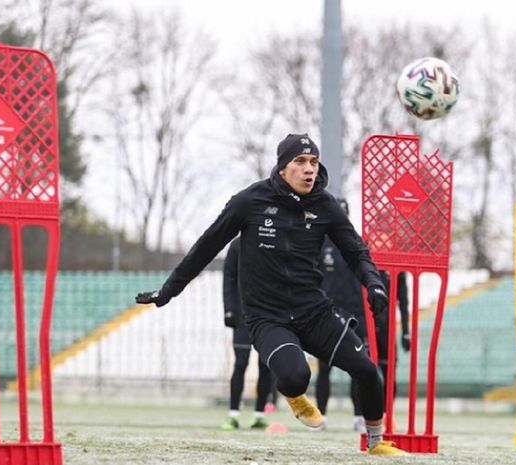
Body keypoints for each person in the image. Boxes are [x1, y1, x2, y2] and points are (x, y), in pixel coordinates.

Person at [135, 133, 406, 455]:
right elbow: (206, 247)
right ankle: (293, 395)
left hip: (313, 310)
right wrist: (169, 290)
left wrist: (373, 283)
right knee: (296, 376)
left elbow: (356, 252)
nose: (309, 170)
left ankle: (375, 443)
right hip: (268, 316)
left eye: (314, 162)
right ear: (282, 168)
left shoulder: (326, 206)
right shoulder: (249, 201)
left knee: (367, 372)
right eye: (300, 162)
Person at [315, 206, 410, 433]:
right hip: (340, 315)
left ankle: (380, 416)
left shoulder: (389, 262)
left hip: (378, 322)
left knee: (378, 370)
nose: (383, 241)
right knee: (331, 368)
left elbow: (403, 300)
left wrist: (406, 330)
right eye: (379, 237)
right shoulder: (326, 246)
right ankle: (322, 417)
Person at [221, 236, 273, 430]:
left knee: (266, 365)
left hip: (267, 314)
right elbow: (229, 278)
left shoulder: (270, 239)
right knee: (240, 362)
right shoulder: (236, 245)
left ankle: (259, 415)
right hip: (243, 316)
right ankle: (233, 414)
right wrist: (229, 309)